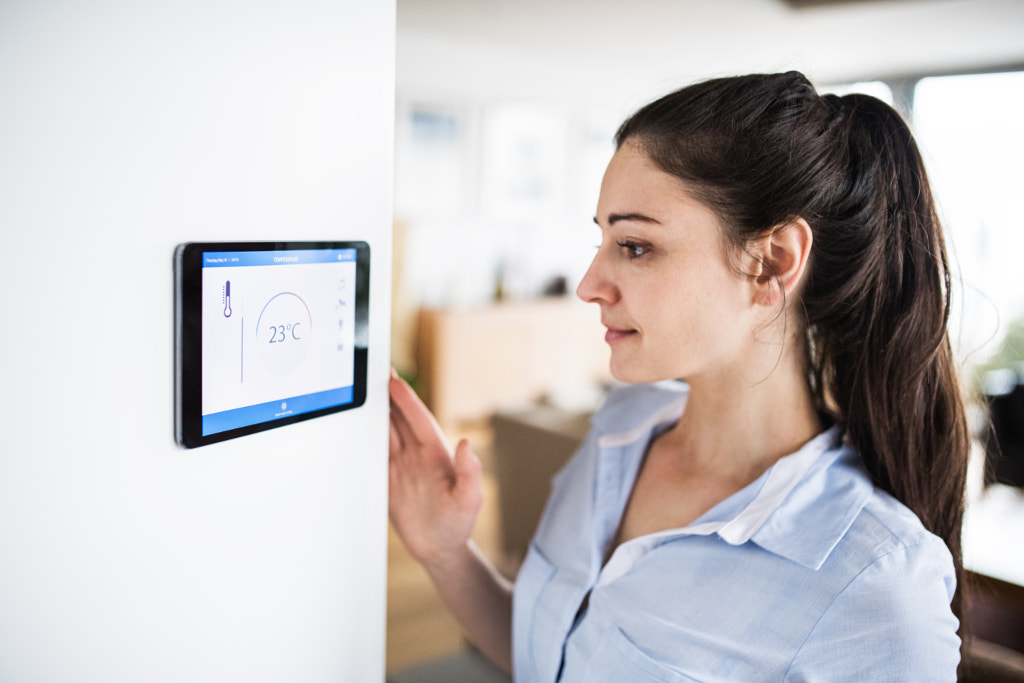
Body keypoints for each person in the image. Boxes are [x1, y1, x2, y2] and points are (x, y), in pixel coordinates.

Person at [388, 71, 968, 682]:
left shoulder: (876, 587)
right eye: (603, 239)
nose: (588, 285)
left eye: (635, 246)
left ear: (772, 263)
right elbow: (555, 657)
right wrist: (445, 550)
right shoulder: (619, 431)